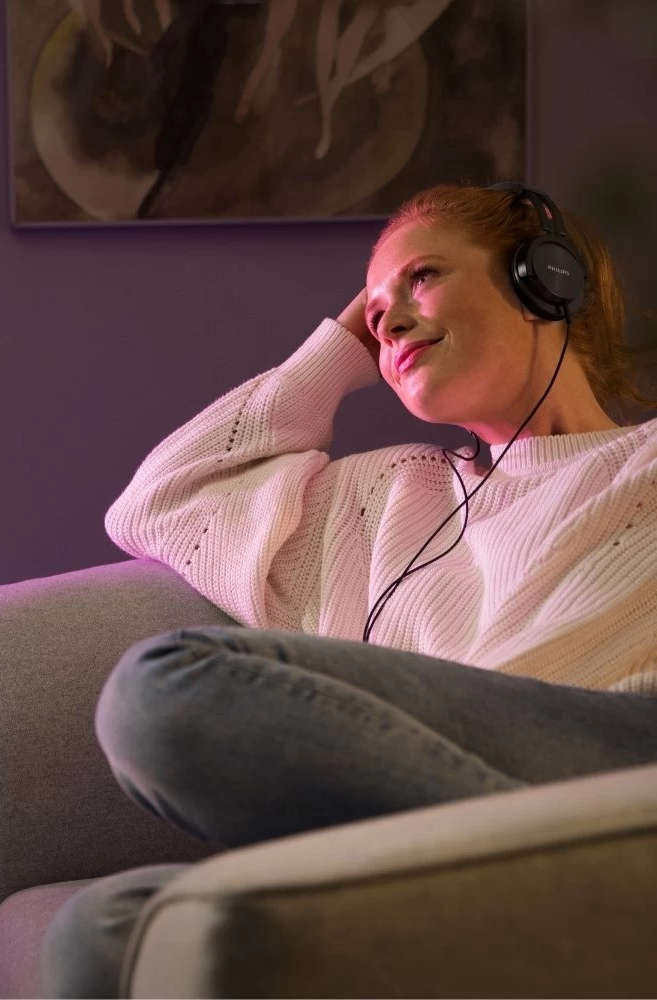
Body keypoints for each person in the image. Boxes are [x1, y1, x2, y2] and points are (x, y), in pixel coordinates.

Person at [39, 182, 657, 997]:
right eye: (373, 312)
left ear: (543, 280)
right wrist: (337, 350)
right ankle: (564, 908)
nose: (387, 320)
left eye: (423, 276)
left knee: (160, 690)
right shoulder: (384, 496)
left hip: (621, 769)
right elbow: (159, 503)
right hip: (469, 836)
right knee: (103, 933)